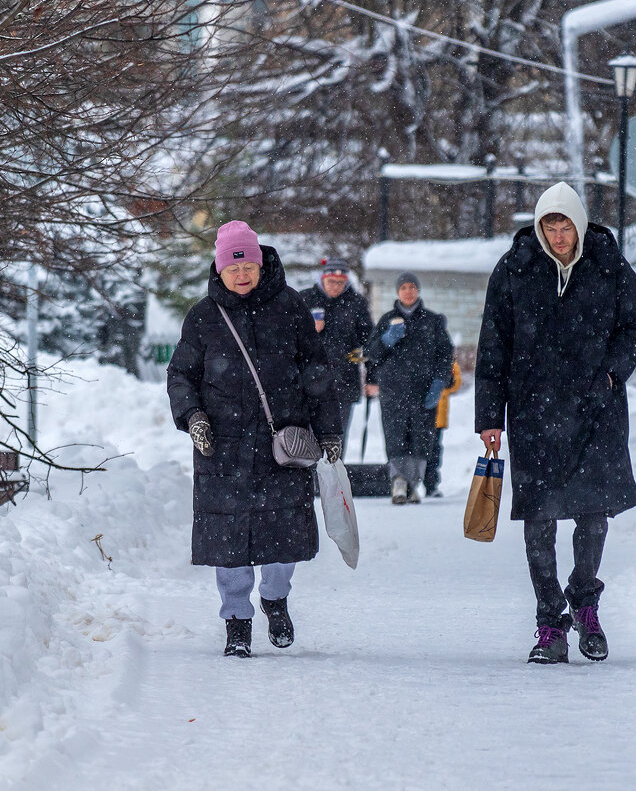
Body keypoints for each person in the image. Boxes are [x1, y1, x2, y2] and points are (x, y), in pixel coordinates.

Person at [475, 182, 636, 665]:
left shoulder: (607, 265)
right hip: (533, 412)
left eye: (565, 225)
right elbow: (492, 345)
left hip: (596, 410)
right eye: (549, 227)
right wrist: (489, 416)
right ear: (538, 228)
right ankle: (548, 623)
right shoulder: (515, 270)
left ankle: (585, 603)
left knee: (594, 516)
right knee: (539, 521)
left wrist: (613, 373)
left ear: (579, 223)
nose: (558, 236)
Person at [167, 220, 343, 658]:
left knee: (284, 538)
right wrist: (193, 417)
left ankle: (275, 598)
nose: (242, 275)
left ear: (260, 264)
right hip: (221, 448)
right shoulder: (204, 316)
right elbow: (181, 375)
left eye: (249, 267)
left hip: (281, 445)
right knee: (229, 543)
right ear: (220, 268)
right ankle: (237, 622)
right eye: (233, 268)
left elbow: (317, 373)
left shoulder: (290, 307)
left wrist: (330, 431)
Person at [365, 271, 453, 504]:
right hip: (393, 392)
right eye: (404, 287)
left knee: (420, 439)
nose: (408, 291)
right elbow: (372, 354)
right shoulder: (387, 320)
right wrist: (387, 340)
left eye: (412, 287)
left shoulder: (432, 321)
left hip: (423, 392)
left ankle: (413, 484)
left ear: (418, 290)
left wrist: (439, 382)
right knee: (395, 437)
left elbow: (445, 356)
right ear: (397, 292)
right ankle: (399, 483)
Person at [300, 257, 374, 454]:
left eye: (341, 283)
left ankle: (335, 481)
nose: (336, 286)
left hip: (343, 381)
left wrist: (372, 377)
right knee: (308, 438)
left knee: (336, 439)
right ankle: (310, 481)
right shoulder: (305, 299)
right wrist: (309, 330)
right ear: (322, 278)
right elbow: (287, 340)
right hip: (308, 383)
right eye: (332, 281)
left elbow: (369, 343)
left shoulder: (356, 303)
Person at [423, 360, 462, 497]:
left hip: (438, 418)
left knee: (433, 451)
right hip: (424, 415)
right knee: (424, 450)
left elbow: (456, 384)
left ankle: (431, 484)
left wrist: (448, 377)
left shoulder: (447, 362)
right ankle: (421, 482)